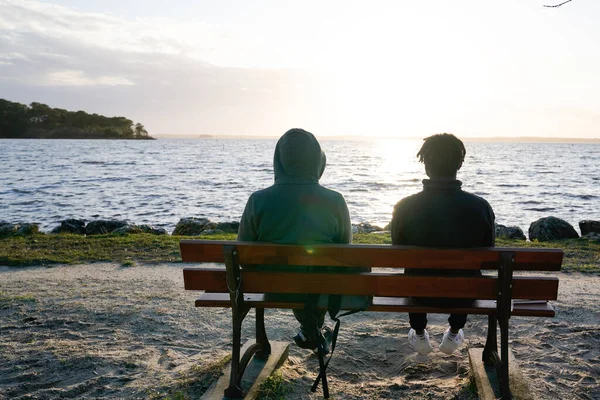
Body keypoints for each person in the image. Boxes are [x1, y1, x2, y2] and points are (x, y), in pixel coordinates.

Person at [237, 128, 353, 352]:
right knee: (320, 273)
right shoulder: (335, 201)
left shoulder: (257, 200)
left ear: (278, 161)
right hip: (319, 288)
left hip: (270, 286)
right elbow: (345, 253)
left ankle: (309, 331)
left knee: (301, 275)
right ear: (318, 160)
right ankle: (311, 330)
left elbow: (243, 256)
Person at [391, 133, 495, 355]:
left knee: (414, 271)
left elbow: (397, 250)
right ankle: (454, 331)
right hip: (463, 293)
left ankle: (419, 333)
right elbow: (488, 253)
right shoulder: (480, 207)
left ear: (425, 163)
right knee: (468, 274)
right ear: (459, 163)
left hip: (417, 291)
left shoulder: (404, 207)